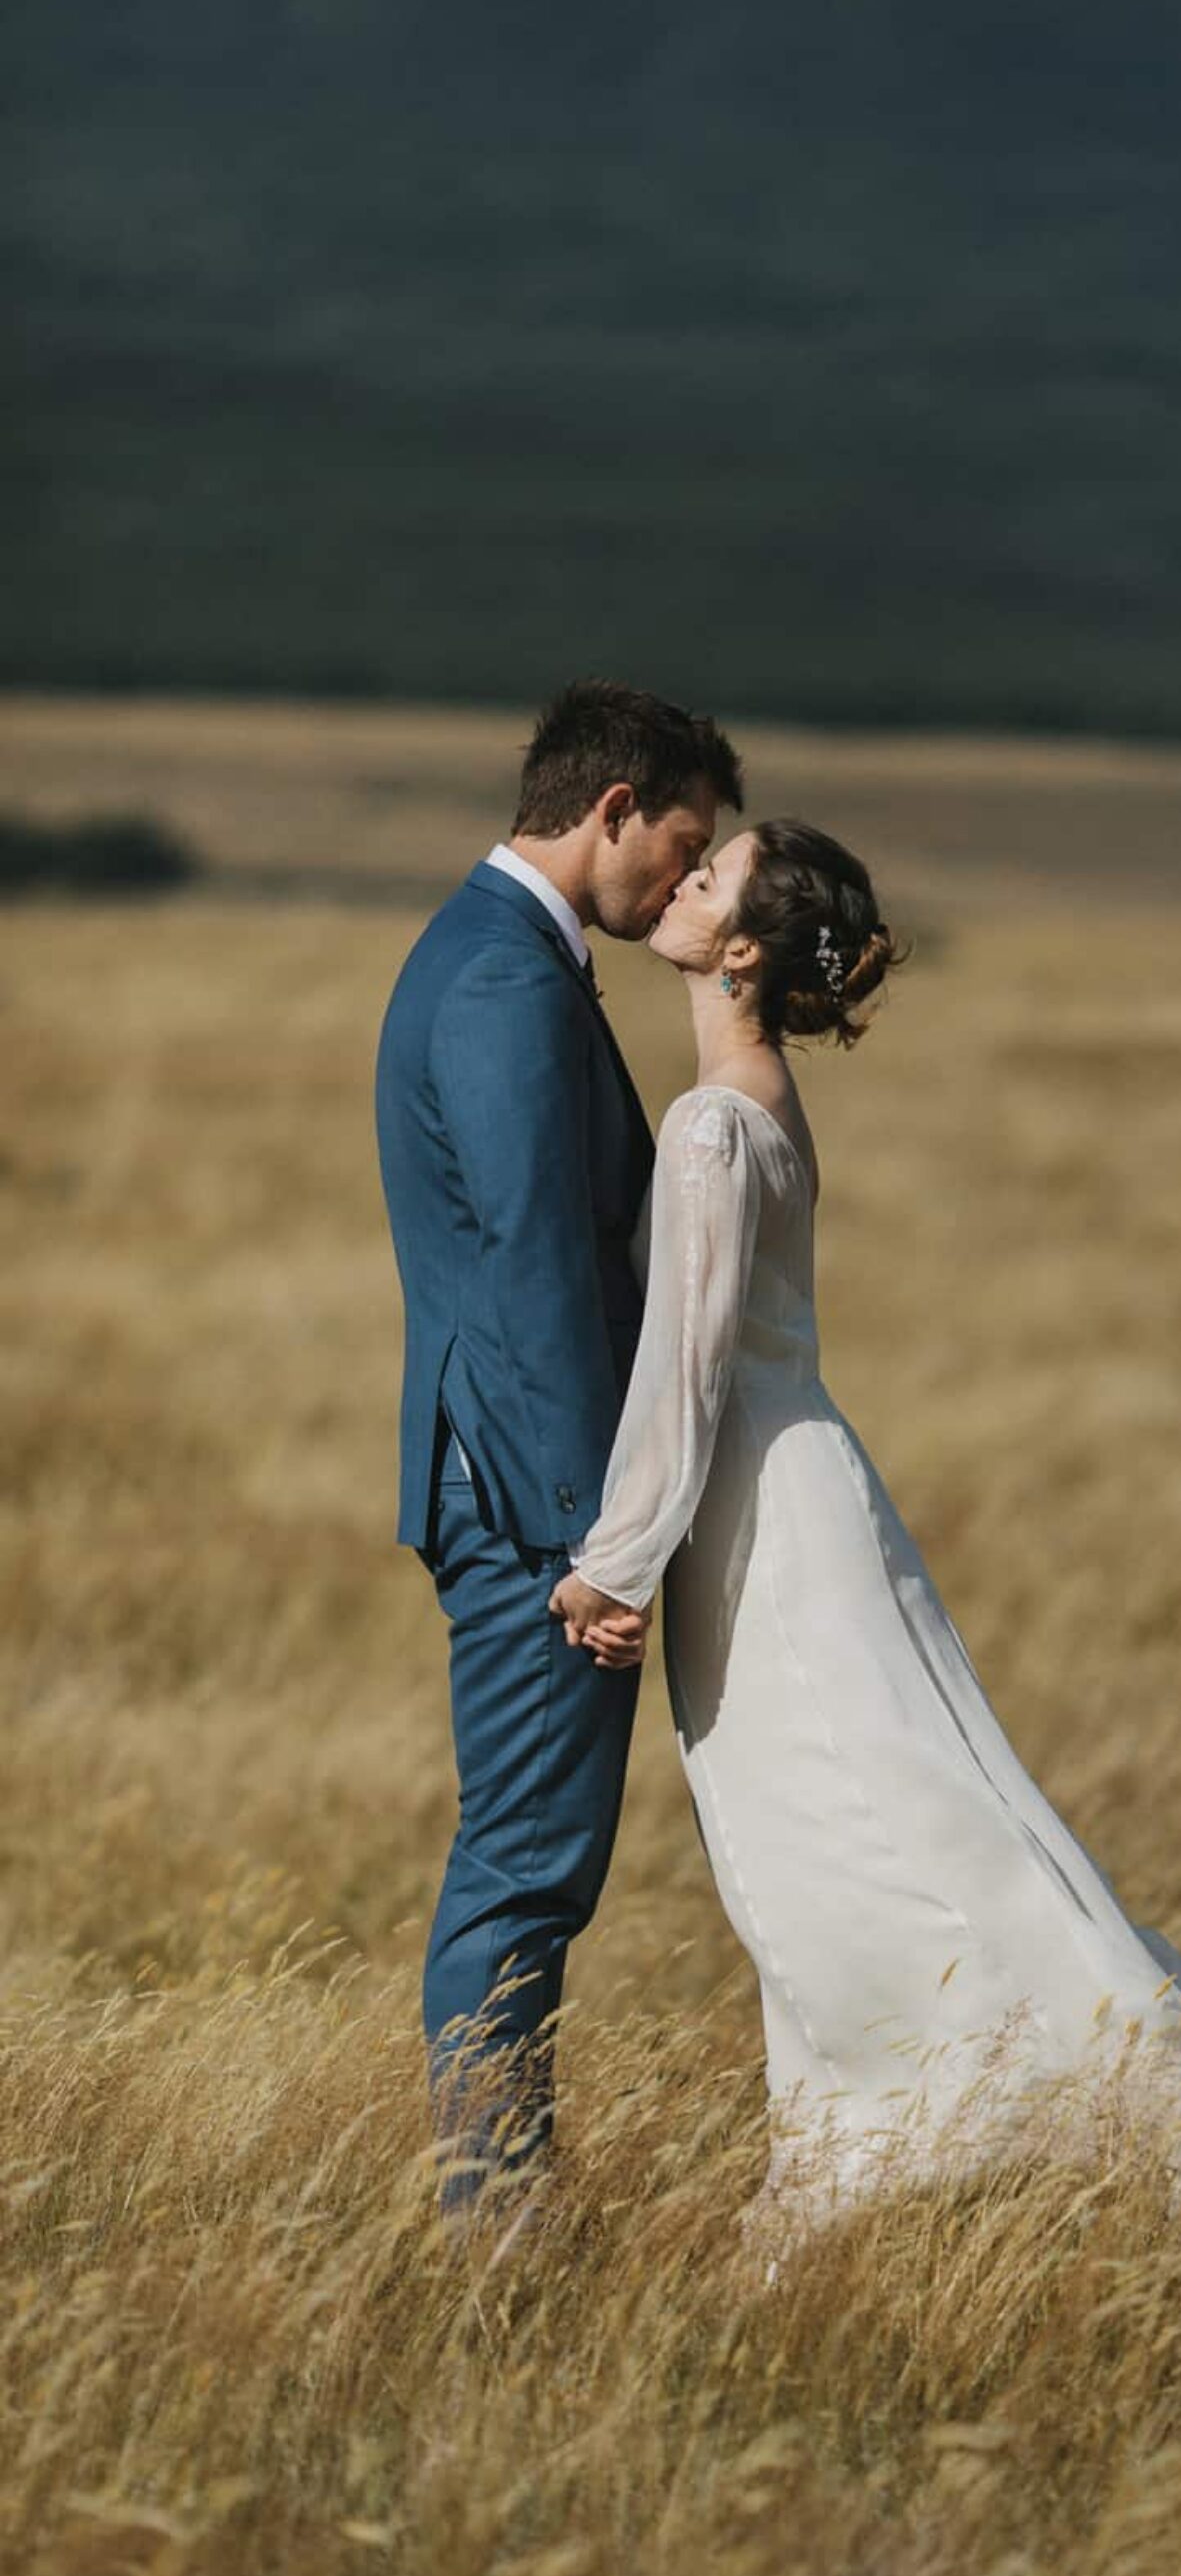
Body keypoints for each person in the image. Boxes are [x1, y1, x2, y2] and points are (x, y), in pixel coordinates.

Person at [553, 818, 1181, 2242]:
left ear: (743, 949)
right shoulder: (755, 1097)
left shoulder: (709, 1122)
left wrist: (614, 1561)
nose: (682, 880)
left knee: (855, 1824)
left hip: (759, 1514)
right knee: (904, 1799)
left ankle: (976, 2106)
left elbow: (685, 1366)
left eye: (710, 878)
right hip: (807, 1485)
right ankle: (866, 2144)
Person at [374, 678, 742, 2209]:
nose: (685, 879)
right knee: (527, 1866)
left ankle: (500, 2198)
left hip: (529, 1486)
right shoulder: (506, 984)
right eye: (682, 841)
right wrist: (606, 1536)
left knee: (534, 1862)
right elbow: (534, 1264)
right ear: (610, 809)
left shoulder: (504, 954)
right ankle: (494, 2222)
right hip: (536, 1503)